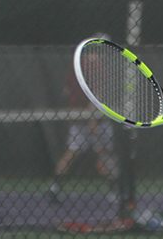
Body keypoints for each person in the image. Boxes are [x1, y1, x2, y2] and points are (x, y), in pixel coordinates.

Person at [48, 35, 120, 206]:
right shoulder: (97, 67)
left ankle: (55, 187)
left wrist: (77, 113)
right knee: (103, 153)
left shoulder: (77, 65)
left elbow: (66, 92)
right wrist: (91, 120)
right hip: (92, 119)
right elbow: (96, 95)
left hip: (81, 117)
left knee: (75, 153)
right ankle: (114, 192)